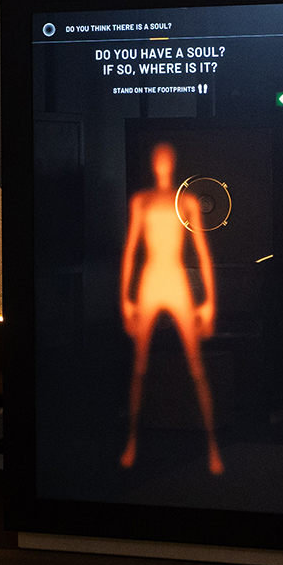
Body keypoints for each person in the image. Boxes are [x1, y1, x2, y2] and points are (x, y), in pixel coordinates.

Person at [117, 142, 222, 475]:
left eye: (167, 159)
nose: (162, 163)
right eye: (158, 159)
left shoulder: (187, 201)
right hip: (151, 279)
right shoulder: (141, 200)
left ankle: (212, 446)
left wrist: (209, 302)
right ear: (153, 164)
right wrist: (126, 300)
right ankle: (132, 441)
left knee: (196, 364)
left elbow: (202, 251)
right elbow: (130, 249)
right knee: (139, 366)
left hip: (176, 279)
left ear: (173, 164)